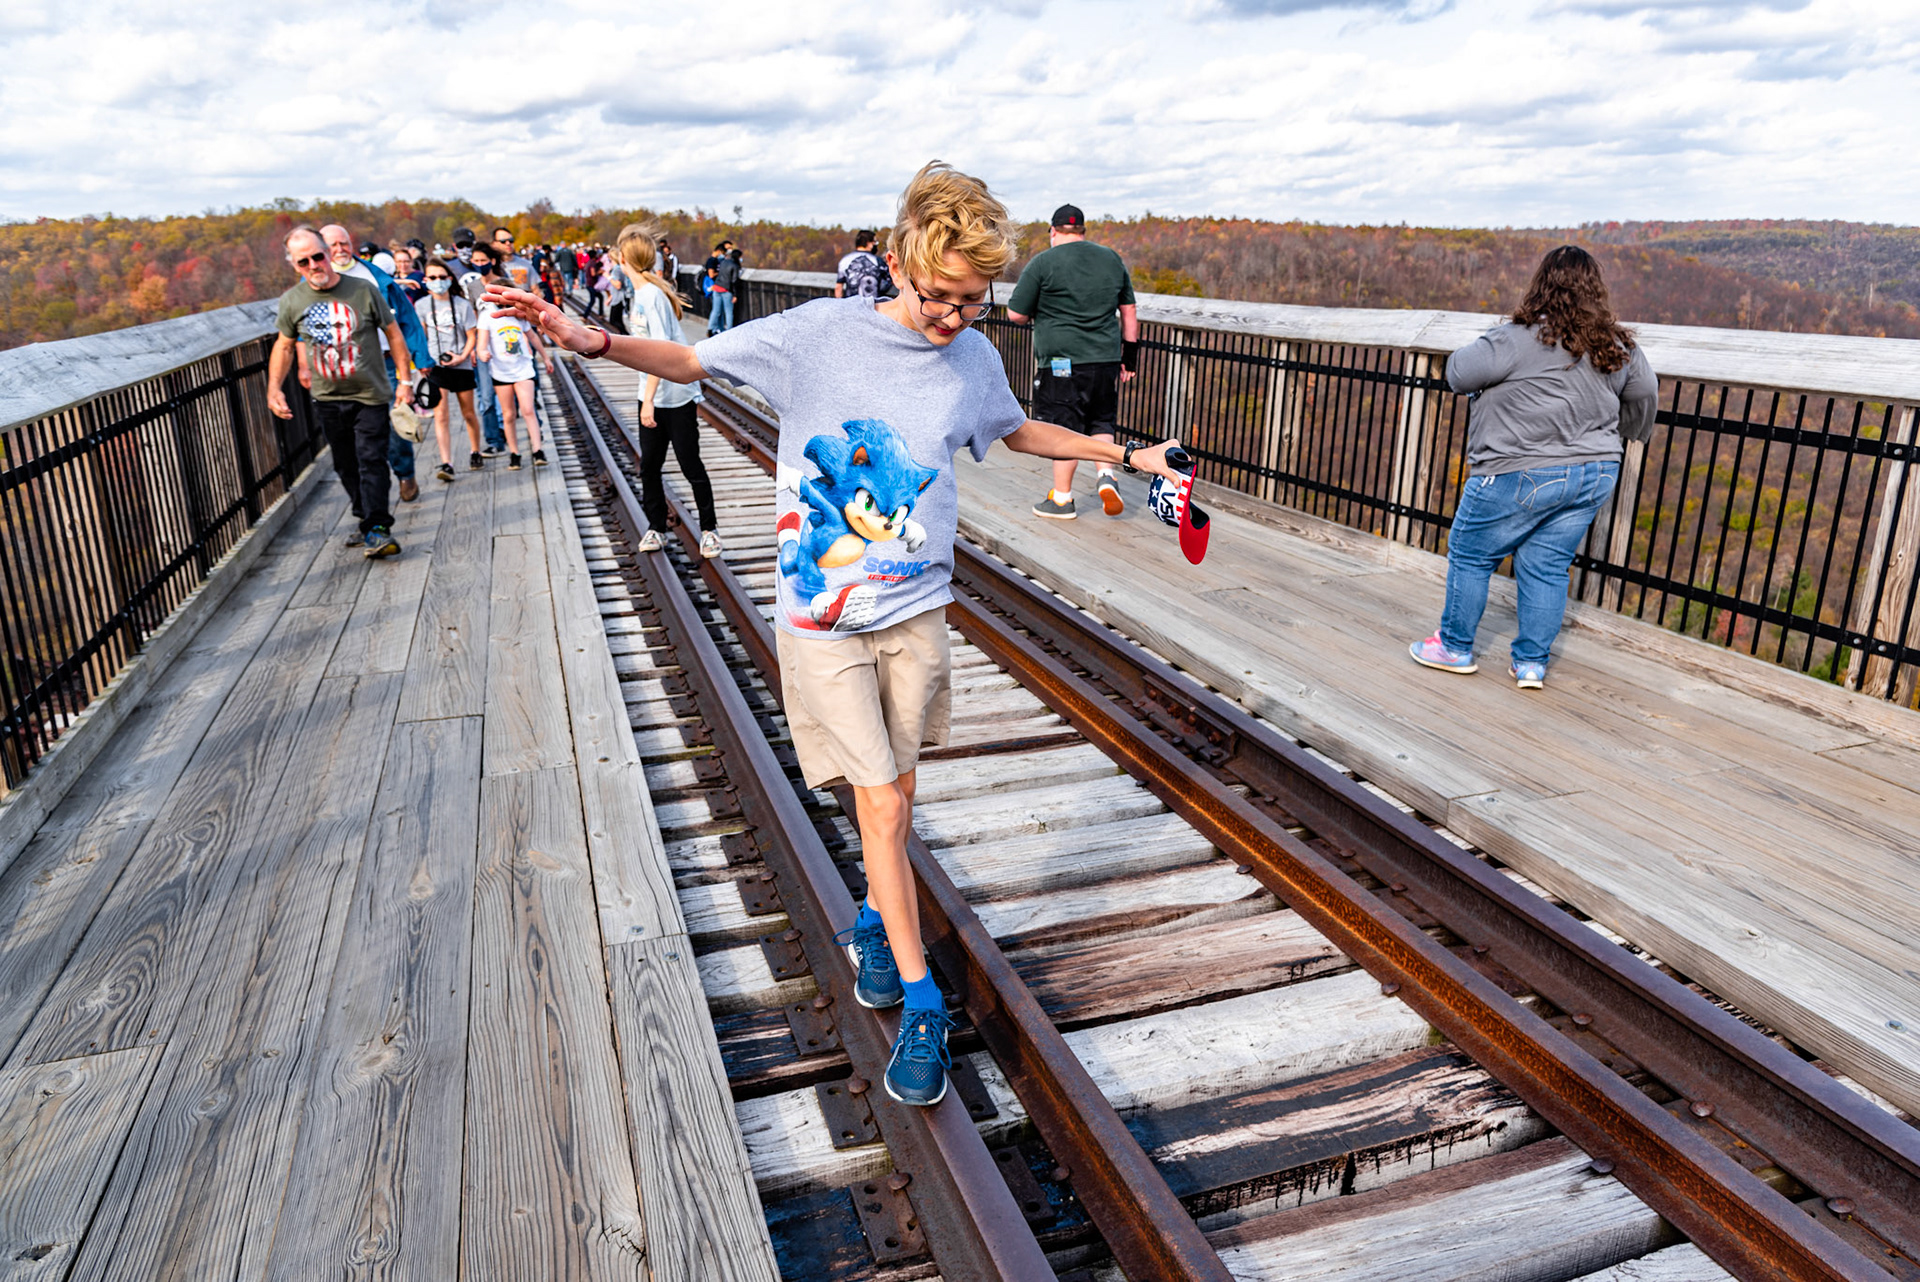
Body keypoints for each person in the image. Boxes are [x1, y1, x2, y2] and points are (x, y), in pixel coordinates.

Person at [484, 160, 1186, 1109]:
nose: (954, 317)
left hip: (917, 612)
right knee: (884, 809)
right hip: (824, 621)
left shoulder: (972, 358)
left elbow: (1016, 432)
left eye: (973, 300)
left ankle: (873, 919)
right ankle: (923, 1002)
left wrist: (1122, 451)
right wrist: (592, 338)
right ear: (898, 263)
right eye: (940, 296)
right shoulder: (817, 335)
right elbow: (693, 363)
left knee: (897, 795)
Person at [1409, 245, 1657, 690]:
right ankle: (1530, 665)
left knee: (1471, 553)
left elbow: (1458, 373)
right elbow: (1644, 394)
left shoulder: (1515, 338)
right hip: (1596, 472)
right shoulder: (1616, 345)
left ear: (1541, 285)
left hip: (1518, 468)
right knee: (1546, 565)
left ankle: (1454, 647)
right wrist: (1627, 431)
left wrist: (1491, 339)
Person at [268, 225, 413, 558]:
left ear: (328, 253)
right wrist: (274, 388)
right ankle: (365, 518)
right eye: (303, 262)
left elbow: (393, 334)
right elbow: (285, 345)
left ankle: (378, 528)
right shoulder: (293, 301)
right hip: (328, 398)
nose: (313, 266)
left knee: (371, 459)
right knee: (345, 464)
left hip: (370, 393)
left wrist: (405, 382)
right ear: (294, 265)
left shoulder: (362, 290)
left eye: (318, 257)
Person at [1008, 204, 1140, 521]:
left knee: (1063, 428)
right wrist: (1129, 358)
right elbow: (1129, 311)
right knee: (1101, 420)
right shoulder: (1111, 258)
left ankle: (1062, 499)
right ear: (1082, 231)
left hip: (1061, 362)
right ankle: (1106, 476)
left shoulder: (1043, 262)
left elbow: (1015, 314)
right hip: (1106, 358)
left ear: (1053, 231)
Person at [614, 220, 721, 559]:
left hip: (673, 396)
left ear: (623, 259)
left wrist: (648, 401)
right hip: (651, 394)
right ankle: (656, 528)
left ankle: (709, 530)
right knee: (650, 466)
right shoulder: (641, 293)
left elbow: (659, 352)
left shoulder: (651, 296)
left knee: (690, 464)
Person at [321, 223, 433, 505]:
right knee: (357, 433)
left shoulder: (373, 275)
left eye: (344, 243)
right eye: (333, 245)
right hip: (343, 368)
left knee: (396, 422)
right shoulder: (316, 279)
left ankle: (405, 473)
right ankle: (370, 495)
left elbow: (405, 317)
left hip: (385, 363)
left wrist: (420, 356)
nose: (340, 249)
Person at [415, 257, 485, 478]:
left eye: (441, 277)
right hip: (436, 366)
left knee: (468, 413)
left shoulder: (462, 304)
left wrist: (462, 356)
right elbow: (421, 336)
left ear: (449, 278)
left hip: (461, 364)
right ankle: (447, 463)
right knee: (441, 415)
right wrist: (422, 362)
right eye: (432, 277)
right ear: (426, 280)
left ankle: (475, 450)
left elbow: (472, 335)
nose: (437, 281)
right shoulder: (422, 305)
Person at [478, 288, 554, 470]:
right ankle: (514, 453)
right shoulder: (487, 316)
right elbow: (481, 343)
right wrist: (482, 353)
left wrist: (545, 357)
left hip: (523, 368)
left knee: (528, 410)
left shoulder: (518, 314)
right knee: (508, 414)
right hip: (501, 371)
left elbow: (532, 336)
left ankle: (538, 450)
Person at [459, 241, 509, 457]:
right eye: (476, 261)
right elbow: (472, 318)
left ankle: (508, 429)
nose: (479, 264)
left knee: (508, 393)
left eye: (483, 260)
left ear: (492, 261)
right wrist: (472, 348)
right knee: (486, 395)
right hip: (482, 345)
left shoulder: (504, 283)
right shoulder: (472, 287)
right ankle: (493, 439)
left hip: (505, 343)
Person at [835, 230, 891, 300]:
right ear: (869, 243)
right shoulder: (878, 261)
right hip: (873, 304)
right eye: (875, 242)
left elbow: (838, 287)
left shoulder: (845, 260)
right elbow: (890, 279)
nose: (876, 245)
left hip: (850, 303)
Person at [707, 241, 740, 333]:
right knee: (728, 312)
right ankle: (728, 331)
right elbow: (734, 280)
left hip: (717, 287)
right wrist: (735, 294)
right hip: (726, 289)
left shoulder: (722, 262)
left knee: (716, 310)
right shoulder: (733, 265)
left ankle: (711, 329)